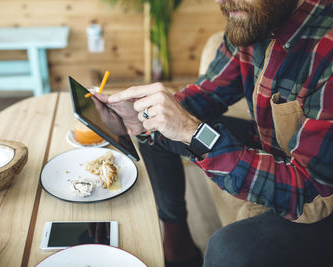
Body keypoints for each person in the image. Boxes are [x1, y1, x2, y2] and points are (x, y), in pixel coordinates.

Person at [96, 0, 333, 266]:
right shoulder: (253, 17)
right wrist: (142, 117)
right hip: (276, 148)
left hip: (319, 193)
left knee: (228, 249)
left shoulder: (326, 47)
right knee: (158, 127)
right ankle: (178, 244)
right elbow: (209, 91)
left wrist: (190, 130)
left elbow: (310, 192)